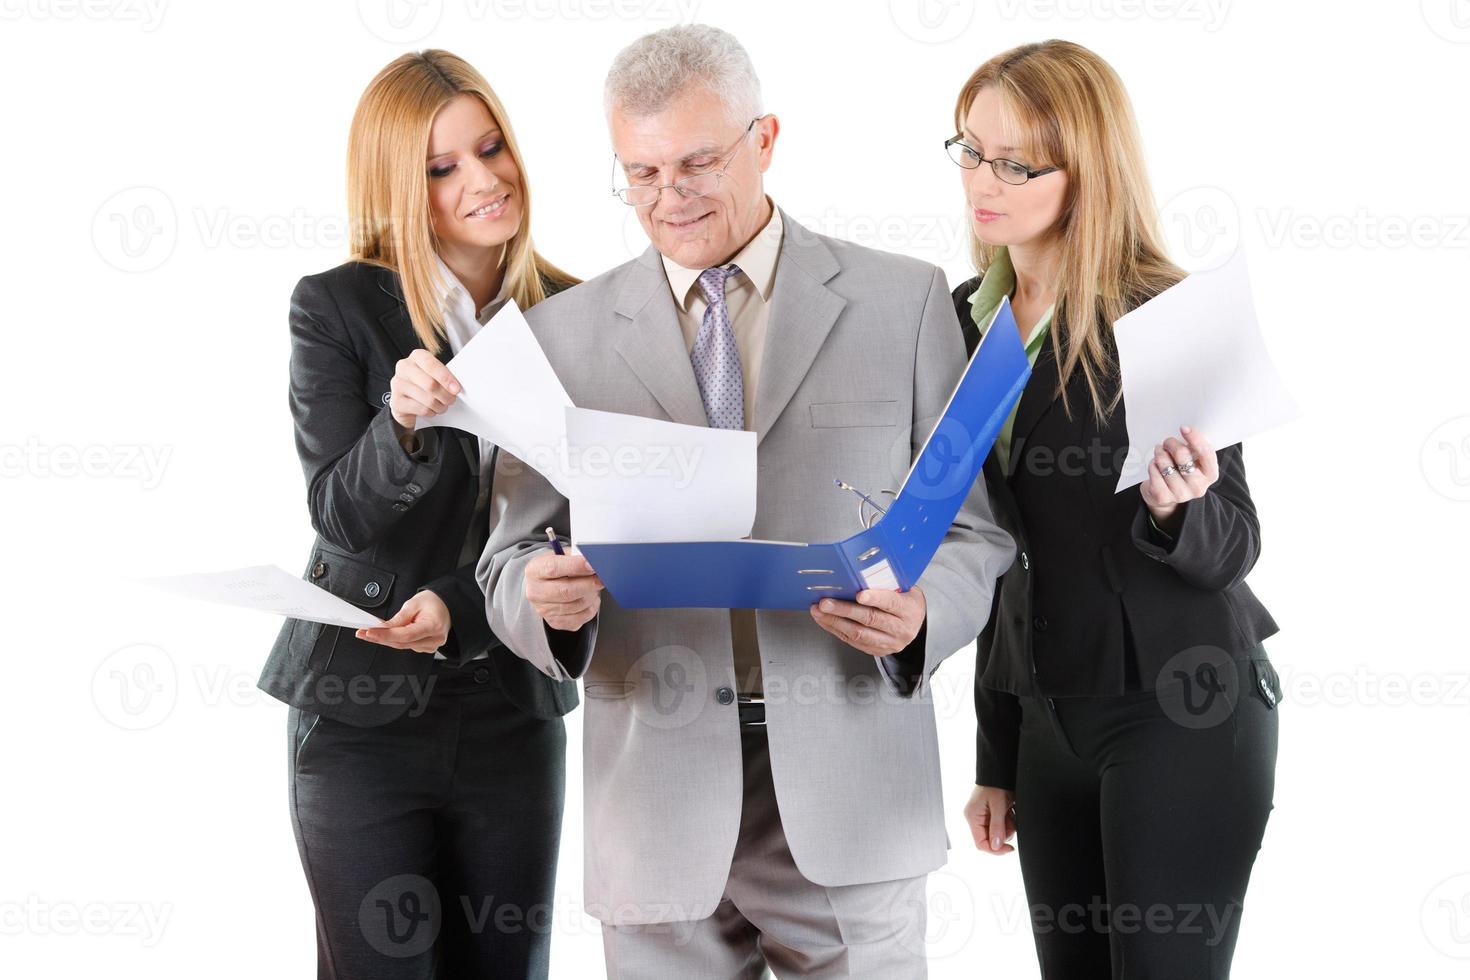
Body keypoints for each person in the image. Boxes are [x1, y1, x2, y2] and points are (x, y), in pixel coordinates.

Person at [476, 24, 1014, 980]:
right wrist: (542, 604)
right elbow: (509, 557)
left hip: (850, 790)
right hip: (653, 803)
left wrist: (928, 613)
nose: (668, 198)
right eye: (640, 174)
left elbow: (974, 530)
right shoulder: (558, 340)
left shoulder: (908, 302)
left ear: (765, 141)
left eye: (695, 162)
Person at [949, 40, 1281, 978]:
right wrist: (996, 752)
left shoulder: (1158, 313)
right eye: (972, 149)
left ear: (1085, 170)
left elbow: (1237, 542)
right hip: (1051, 714)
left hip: (1182, 706)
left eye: (1017, 162)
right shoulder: (964, 316)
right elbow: (992, 548)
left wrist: (1181, 511)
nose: (985, 179)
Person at [257, 50, 578, 979]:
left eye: (491, 148)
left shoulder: (577, 311)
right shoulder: (339, 307)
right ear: (400, 185)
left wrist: (460, 608)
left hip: (513, 704)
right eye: (442, 168)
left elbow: (591, 519)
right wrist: (398, 423)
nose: (483, 180)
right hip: (361, 716)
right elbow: (340, 518)